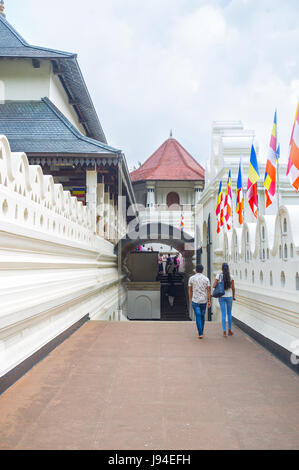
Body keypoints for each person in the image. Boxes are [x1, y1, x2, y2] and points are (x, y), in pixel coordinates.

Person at [213, 263, 235, 337]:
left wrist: (219, 284)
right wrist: (234, 296)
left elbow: (213, 285)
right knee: (229, 313)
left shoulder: (218, 276)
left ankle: (224, 332)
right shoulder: (231, 276)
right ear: (228, 268)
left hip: (221, 296)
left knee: (223, 314)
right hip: (229, 297)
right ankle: (229, 330)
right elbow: (233, 288)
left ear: (222, 268)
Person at [188, 265, 211, 339]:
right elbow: (208, 291)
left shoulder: (191, 278)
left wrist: (190, 299)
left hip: (195, 300)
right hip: (204, 300)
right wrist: (209, 300)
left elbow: (190, 290)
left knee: (197, 315)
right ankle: (201, 330)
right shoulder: (206, 279)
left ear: (196, 270)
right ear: (202, 270)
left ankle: (200, 333)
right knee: (202, 315)